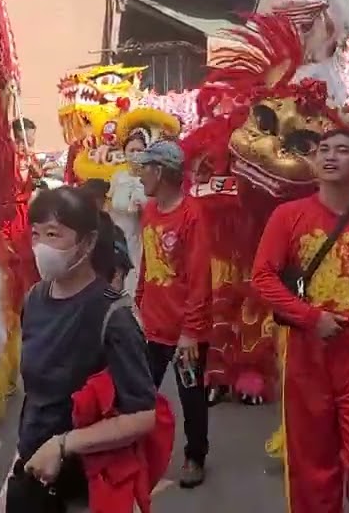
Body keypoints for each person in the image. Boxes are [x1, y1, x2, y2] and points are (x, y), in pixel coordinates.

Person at [251, 127, 349, 513]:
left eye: (342, 150)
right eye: (323, 150)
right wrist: (310, 317)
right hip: (306, 354)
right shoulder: (288, 216)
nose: (330, 156)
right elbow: (263, 277)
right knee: (313, 467)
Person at [5, 187, 158, 511]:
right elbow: (37, 395)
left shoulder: (113, 315)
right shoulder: (34, 298)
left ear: (87, 243)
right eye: (35, 235)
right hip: (34, 473)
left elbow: (143, 416)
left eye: (53, 234)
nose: (41, 246)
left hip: (87, 485)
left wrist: (62, 445)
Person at [131, 140, 212, 488]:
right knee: (140, 390)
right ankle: (136, 453)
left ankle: (195, 455)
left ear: (160, 172)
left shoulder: (192, 215)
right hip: (152, 326)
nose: (140, 176)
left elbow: (199, 278)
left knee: (190, 396)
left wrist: (191, 331)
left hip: (185, 335)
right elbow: (149, 259)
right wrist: (138, 298)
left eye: (144, 169)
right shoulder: (150, 210)